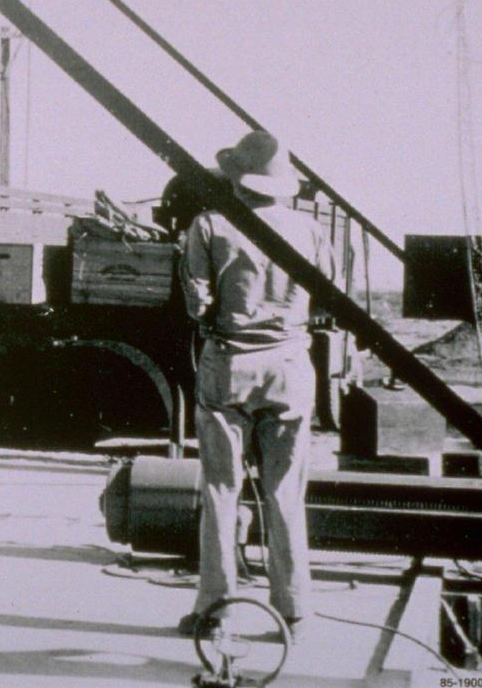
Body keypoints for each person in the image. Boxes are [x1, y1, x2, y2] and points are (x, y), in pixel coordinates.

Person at [177, 130, 333, 642]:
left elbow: (197, 307)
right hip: (290, 366)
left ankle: (217, 612)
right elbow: (327, 300)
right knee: (286, 491)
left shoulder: (209, 225)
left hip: (229, 365)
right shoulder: (310, 230)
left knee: (223, 490)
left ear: (236, 177)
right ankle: (294, 612)